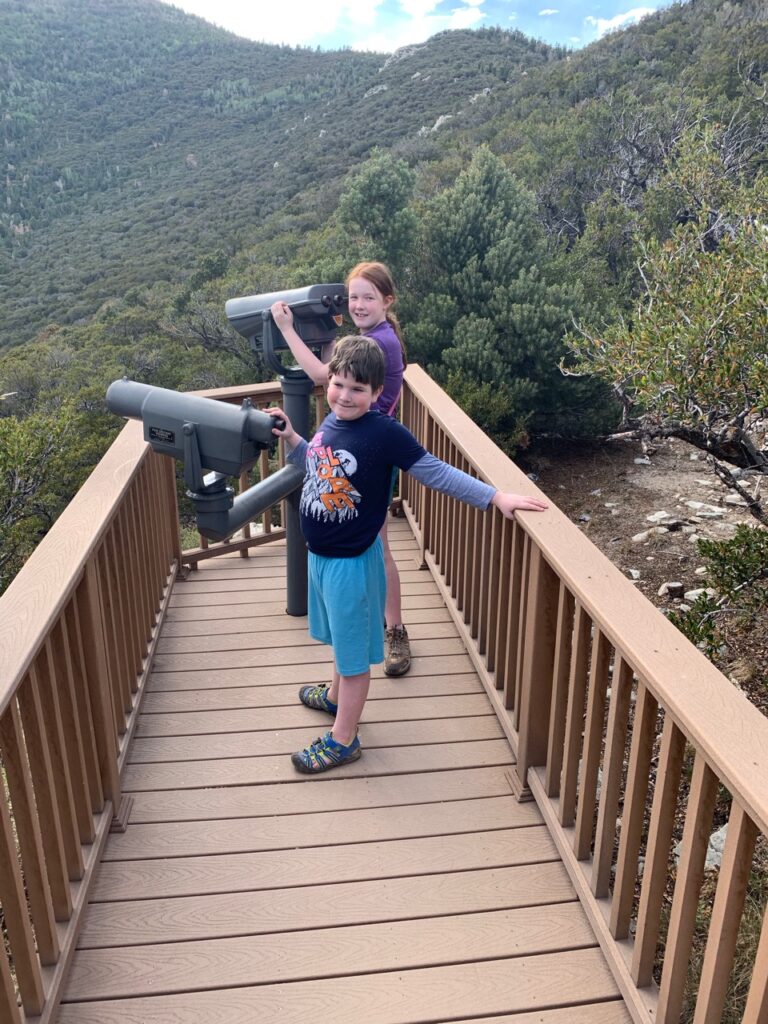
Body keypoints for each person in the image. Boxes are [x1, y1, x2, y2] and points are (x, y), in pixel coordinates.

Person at [267, 336, 548, 774]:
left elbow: (435, 471)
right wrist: (294, 438)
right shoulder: (332, 422)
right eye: (338, 384)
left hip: (352, 565)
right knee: (343, 640)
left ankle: (344, 739)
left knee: (355, 653)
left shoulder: (384, 432)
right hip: (322, 559)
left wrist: (493, 497)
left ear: (378, 393)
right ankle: (337, 697)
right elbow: (320, 464)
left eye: (358, 389)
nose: (345, 395)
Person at [270, 262, 412, 677]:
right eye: (353, 297)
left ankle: (393, 630)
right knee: (373, 549)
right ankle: (378, 628)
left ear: (387, 301)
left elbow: (322, 374)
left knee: (377, 548)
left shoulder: (382, 344)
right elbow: (338, 363)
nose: (359, 304)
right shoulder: (372, 337)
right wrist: (330, 329)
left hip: (367, 462)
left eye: (368, 297)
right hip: (355, 457)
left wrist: (287, 329)